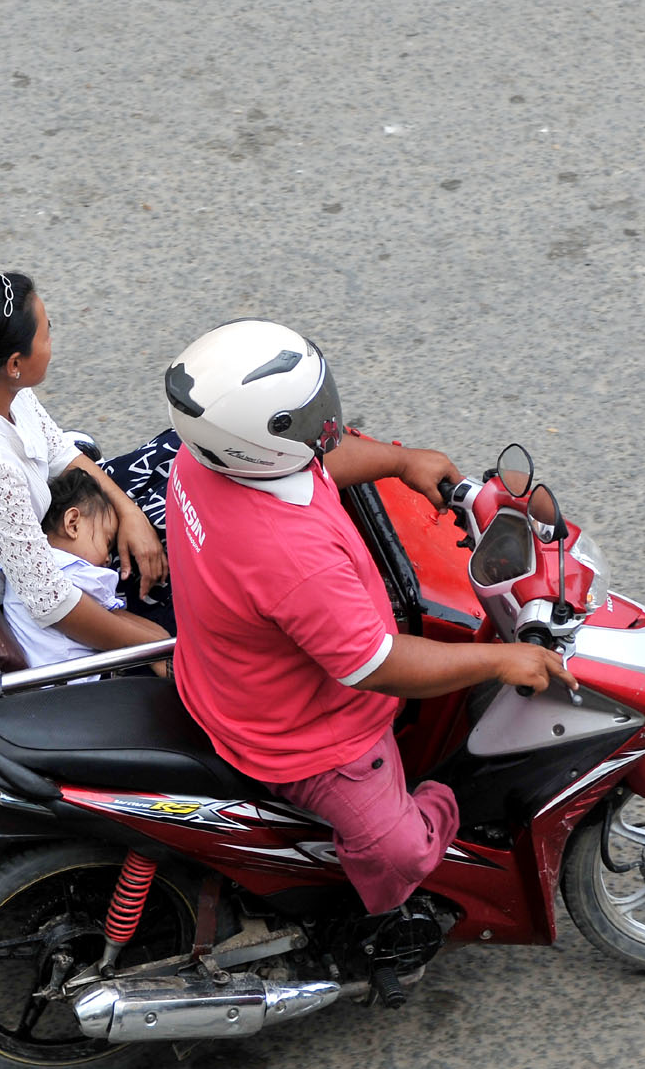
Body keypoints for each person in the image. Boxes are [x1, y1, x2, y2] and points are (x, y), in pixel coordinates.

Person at [161, 319, 576, 915]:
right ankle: (374, 913)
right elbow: (375, 663)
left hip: (225, 681)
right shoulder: (291, 555)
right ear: (267, 436)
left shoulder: (205, 461)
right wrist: (502, 658)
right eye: (308, 417)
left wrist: (397, 463)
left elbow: (318, 462)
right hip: (308, 739)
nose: (326, 422)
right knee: (400, 850)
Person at [0, 271, 168, 657]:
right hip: (34, 586)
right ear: (14, 363)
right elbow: (51, 603)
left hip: (45, 536)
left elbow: (61, 453)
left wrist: (129, 513)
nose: (51, 339)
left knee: (171, 453)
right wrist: (161, 648)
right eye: (46, 333)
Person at [1, 468, 131, 671]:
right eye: (107, 541)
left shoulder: (22, 565)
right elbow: (117, 618)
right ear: (73, 524)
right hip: (81, 683)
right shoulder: (76, 571)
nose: (108, 559)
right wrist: (163, 637)